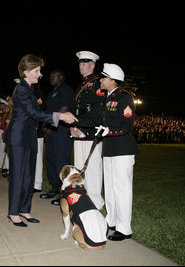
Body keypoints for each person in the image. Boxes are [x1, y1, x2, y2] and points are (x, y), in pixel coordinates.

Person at [3, 54, 77, 227]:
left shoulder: (29, 89)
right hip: (18, 138)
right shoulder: (21, 89)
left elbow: (37, 113)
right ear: (27, 71)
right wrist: (60, 116)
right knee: (18, 176)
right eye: (37, 70)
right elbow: (34, 113)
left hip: (29, 137)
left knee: (28, 176)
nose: (40, 74)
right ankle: (13, 212)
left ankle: (24, 210)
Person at [90, 63, 139, 241]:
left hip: (123, 149)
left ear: (113, 80)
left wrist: (109, 131)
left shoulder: (125, 97)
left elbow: (127, 126)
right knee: (110, 188)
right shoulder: (107, 97)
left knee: (122, 189)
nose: (101, 80)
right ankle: (111, 220)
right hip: (110, 148)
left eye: (103, 77)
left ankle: (125, 228)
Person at [69, 51, 105, 210]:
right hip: (79, 132)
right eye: (79, 63)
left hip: (91, 132)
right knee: (79, 168)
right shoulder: (82, 83)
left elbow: (97, 110)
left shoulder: (98, 83)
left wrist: (80, 125)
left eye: (83, 63)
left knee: (93, 169)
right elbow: (76, 108)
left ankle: (96, 203)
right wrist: (72, 125)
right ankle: (83, 200)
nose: (80, 66)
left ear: (92, 65)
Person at [40, 69, 75, 205]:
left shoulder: (65, 90)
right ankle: (54, 187)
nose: (50, 78)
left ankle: (64, 193)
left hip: (61, 130)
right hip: (51, 132)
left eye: (53, 75)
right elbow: (48, 110)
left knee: (61, 161)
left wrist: (49, 124)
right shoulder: (52, 92)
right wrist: (45, 125)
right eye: (50, 75)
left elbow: (65, 108)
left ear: (61, 77)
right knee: (51, 160)